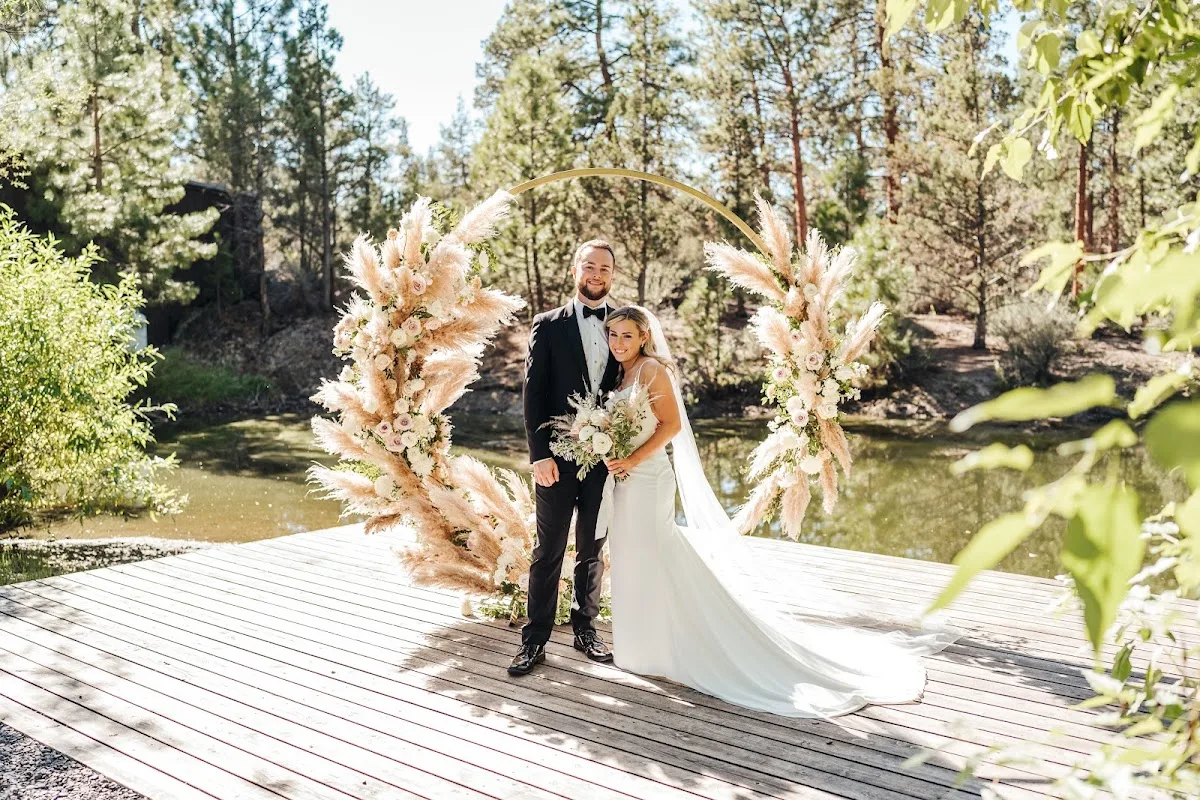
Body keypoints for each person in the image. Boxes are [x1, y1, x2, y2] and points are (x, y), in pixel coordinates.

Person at [598, 305, 958, 717]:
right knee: (632, 558)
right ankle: (641, 648)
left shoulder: (651, 370)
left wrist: (632, 459)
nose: (619, 343)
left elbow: (671, 426)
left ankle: (674, 647)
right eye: (614, 335)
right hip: (623, 480)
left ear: (644, 337)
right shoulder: (621, 374)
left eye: (627, 335)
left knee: (654, 554)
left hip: (648, 479)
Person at [509, 239, 620, 676]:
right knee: (548, 549)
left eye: (604, 269)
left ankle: (584, 629)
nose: (596, 275)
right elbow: (532, 394)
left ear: (612, 275)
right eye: (589, 266)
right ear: (575, 270)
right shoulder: (547, 324)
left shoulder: (625, 324)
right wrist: (538, 455)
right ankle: (534, 639)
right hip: (556, 458)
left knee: (592, 549)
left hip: (604, 461)